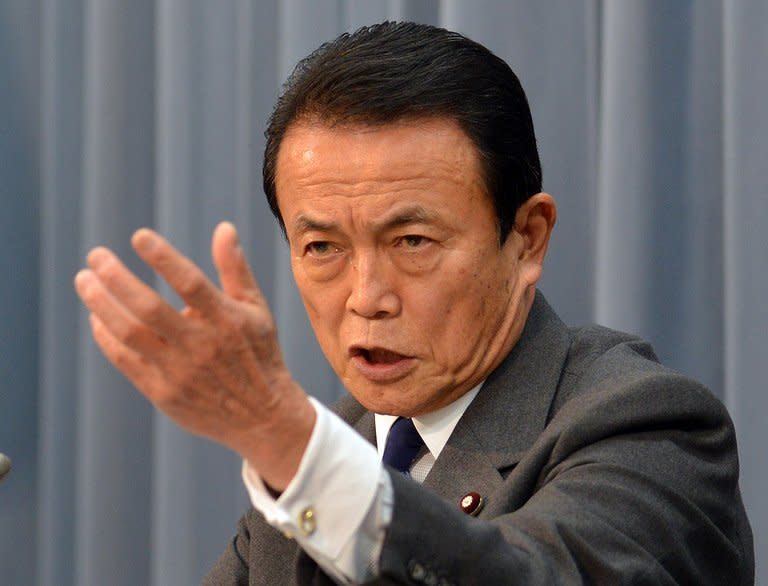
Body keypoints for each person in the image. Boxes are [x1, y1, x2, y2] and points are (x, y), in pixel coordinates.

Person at [74, 22, 753, 585]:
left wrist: (284, 441)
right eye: (322, 249)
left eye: (413, 240)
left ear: (526, 238)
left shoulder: (644, 425)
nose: (367, 298)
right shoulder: (332, 449)